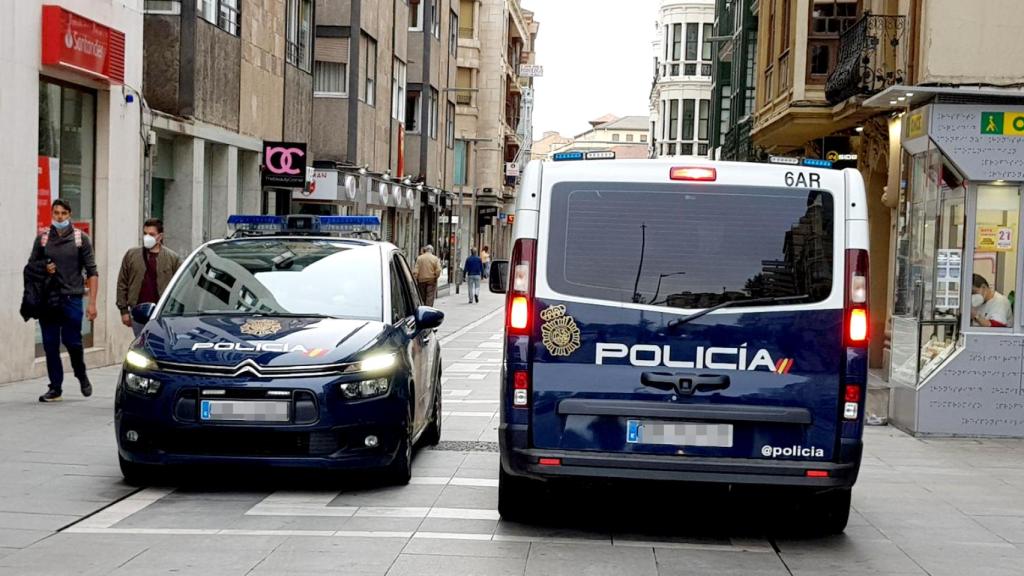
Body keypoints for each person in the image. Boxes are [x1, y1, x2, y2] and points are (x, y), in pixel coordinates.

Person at [28, 199, 99, 403]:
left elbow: (92, 272)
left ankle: (81, 374)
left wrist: (92, 303)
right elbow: (31, 267)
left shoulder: (80, 239)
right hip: (48, 300)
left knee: (72, 341)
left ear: (69, 215)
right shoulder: (42, 239)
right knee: (50, 344)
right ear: (52, 214)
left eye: (63, 213)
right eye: (56, 213)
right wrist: (43, 268)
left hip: (72, 298)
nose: (59, 217)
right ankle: (55, 387)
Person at [116, 218, 183, 336]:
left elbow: (181, 287)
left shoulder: (172, 258)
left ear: (160, 236)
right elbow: (122, 283)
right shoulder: (132, 255)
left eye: (151, 234)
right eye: (145, 233)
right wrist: (124, 311)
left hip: (162, 314)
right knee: (141, 346)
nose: (147, 237)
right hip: (138, 313)